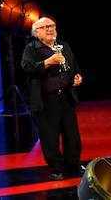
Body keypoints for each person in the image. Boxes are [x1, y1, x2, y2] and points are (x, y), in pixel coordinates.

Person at [21, 16, 84, 180]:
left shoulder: (63, 46)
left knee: (72, 136)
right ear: (36, 32)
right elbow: (27, 68)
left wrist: (77, 77)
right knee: (50, 136)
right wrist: (48, 62)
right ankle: (56, 168)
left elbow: (74, 65)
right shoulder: (31, 48)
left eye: (52, 26)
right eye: (46, 26)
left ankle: (74, 165)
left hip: (66, 97)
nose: (50, 29)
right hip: (46, 100)